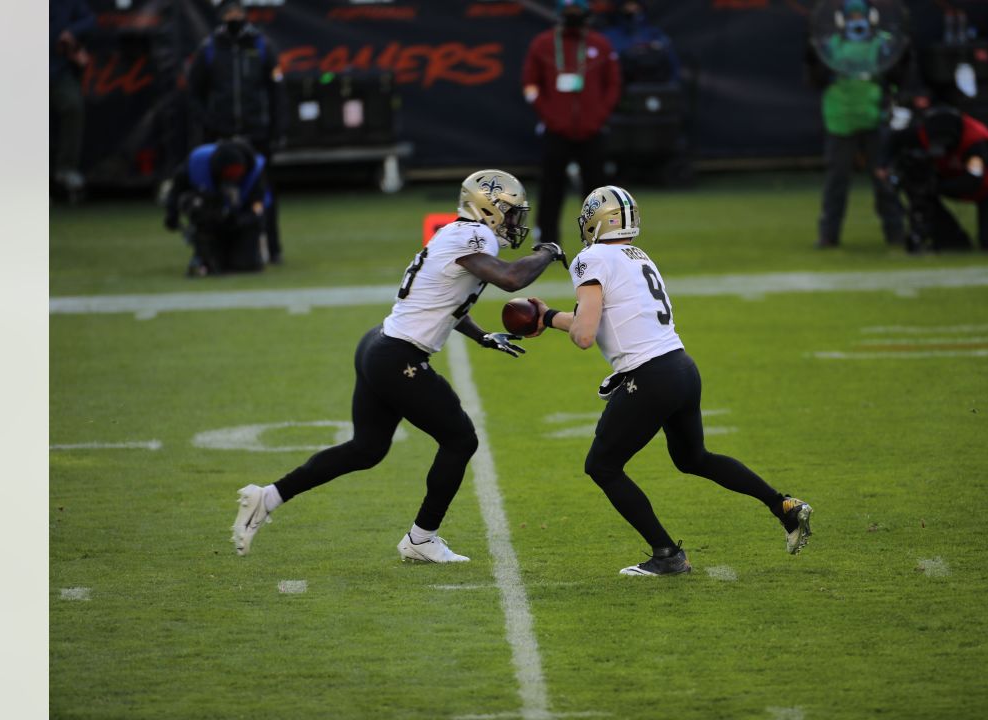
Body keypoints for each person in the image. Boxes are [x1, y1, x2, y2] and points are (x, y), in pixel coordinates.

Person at [230, 170, 568, 563]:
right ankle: (422, 539)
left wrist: (482, 336)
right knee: (461, 439)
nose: (514, 222)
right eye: (509, 213)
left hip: (380, 345)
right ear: (487, 209)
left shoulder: (456, 234)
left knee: (366, 449)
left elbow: (443, 301)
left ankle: (266, 497)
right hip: (398, 356)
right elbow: (512, 279)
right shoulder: (473, 235)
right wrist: (547, 251)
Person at [526, 186, 813, 576]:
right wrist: (548, 318)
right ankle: (782, 505)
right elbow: (602, 318)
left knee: (602, 466)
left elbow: (585, 334)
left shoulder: (590, 257)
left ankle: (666, 554)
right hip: (680, 368)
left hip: (648, 376)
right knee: (693, 458)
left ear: (597, 220)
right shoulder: (638, 255)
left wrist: (556, 320)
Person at [806, 0, 920, 248]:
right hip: (840, 119)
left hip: (873, 117)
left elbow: (897, 78)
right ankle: (828, 235)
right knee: (837, 181)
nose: (856, 20)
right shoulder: (830, 47)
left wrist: (903, 55)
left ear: (870, 18)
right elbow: (816, 79)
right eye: (851, 16)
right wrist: (812, 57)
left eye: (860, 15)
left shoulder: (881, 45)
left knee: (883, 178)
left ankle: (896, 232)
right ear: (842, 20)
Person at [187, 0, 286, 264]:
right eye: (228, 12)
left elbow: (276, 91)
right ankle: (216, 250)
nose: (233, 16)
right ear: (221, 16)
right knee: (216, 194)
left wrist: (276, 129)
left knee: (263, 192)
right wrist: (209, 122)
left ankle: (272, 248)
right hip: (221, 135)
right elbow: (193, 91)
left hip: (256, 133)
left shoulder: (262, 45)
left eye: (237, 11)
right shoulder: (209, 48)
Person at [521, 0, 622, 247]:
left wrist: (599, 114)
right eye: (569, 13)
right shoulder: (543, 44)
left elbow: (613, 85)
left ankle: (600, 237)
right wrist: (548, 114)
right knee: (551, 186)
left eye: (577, 12)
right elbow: (530, 84)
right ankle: (547, 239)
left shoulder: (600, 44)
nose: (573, 17)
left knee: (596, 189)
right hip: (556, 129)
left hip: (591, 128)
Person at [881, 106, 988, 252]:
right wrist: (883, 165)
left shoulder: (977, 142)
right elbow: (894, 139)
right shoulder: (923, 132)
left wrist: (936, 186)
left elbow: (973, 181)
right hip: (957, 177)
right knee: (918, 187)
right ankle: (951, 236)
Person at [163, 139, 270, 276]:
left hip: (241, 222)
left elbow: (259, 208)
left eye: (236, 172)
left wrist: (241, 220)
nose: (233, 176)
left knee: (244, 264)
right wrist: (172, 213)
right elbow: (176, 190)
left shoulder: (255, 174)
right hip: (211, 220)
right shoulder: (198, 163)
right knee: (196, 204)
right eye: (229, 172)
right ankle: (206, 253)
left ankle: (252, 252)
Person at [50, 0, 95, 201]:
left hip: (57, 70)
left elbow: (90, 20)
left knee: (72, 105)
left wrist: (71, 34)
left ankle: (66, 169)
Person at [600, 0, 680, 85]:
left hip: (656, 87)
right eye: (629, 4)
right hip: (622, 88)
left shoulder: (655, 34)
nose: (633, 8)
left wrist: (670, 87)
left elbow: (672, 64)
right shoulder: (608, 36)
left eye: (636, 5)